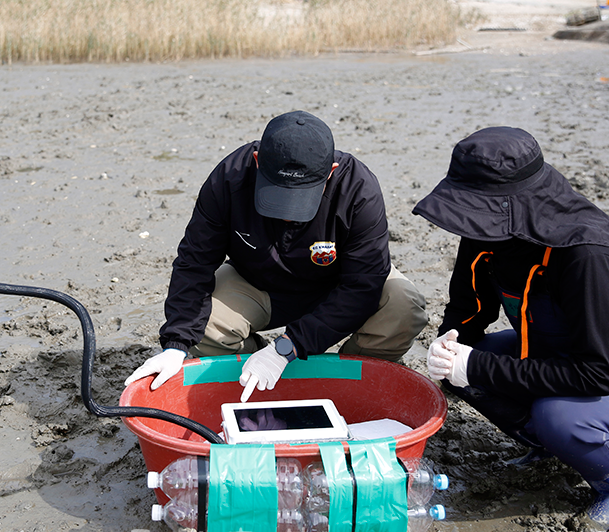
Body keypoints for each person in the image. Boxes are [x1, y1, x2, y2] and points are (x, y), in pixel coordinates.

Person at [413, 126, 609, 532]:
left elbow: (597, 373)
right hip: (553, 345)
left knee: (557, 416)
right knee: (457, 367)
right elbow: (468, 307)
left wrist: (476, 366)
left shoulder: (586, 254)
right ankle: (552, 447)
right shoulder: (486, 232)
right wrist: (450, 341)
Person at [125, 110, 427, 400]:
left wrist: (289, 346)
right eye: (277, 195)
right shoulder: (229, 178)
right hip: (258, 283)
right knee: (205, 328)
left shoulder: (358, 188)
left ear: (331, 172)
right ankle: (251, 371)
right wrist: (176, 344)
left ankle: (343, 381)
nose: (288, 214)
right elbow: (194, 261)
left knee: (403, 305)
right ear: (257, 162)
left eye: (302, 198)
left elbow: (364, 284)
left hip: (337, 287)